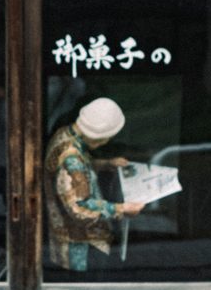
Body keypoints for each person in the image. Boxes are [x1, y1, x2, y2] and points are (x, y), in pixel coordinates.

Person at [43, 97, 144, 273]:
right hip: (79, 245)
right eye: (108, 138)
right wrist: (122, 209)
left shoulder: (64, 135)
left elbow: (69, 175)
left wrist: (104, 164)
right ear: (99, 137)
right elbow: (79, 208)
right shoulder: (72, 159)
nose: (108, 141)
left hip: (63, 236)